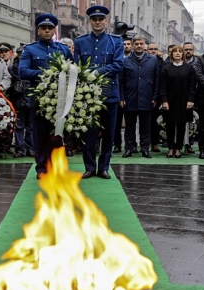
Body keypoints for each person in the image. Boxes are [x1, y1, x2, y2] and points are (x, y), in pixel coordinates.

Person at [74, 5, 124, 180]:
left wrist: (97, 72)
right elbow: (76, 66)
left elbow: (118, 65)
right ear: (90, 21)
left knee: (109, 133)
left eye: (100, 19)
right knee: (89, 132)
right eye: (94, 20)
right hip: (87, 95)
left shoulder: (115, 41)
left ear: (106, 21)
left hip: (109, 93)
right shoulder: (80, 42)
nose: (97, 22)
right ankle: (89, 167)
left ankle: (104, 167)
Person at [19, 14, 72, 177]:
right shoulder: (30, 49)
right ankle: (42, 167)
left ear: (54, 30)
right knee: (40, 135)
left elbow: (73, 69)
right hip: (40, 100)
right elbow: (23, 71)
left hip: (60, 100)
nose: (47, 31)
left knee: (58, 135)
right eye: (44, 28)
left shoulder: (63, 49)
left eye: (50, 28)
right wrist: (47, 74)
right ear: (38, 30)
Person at [120, 35, 158, 158]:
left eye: (141, 43)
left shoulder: (153, 60)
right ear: (132, 45)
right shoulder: (125, 60)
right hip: (130, 97)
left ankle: (145, 148)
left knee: (145, 126)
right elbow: (121, 81)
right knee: (129, 126)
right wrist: (122, 97)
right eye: (136, 44)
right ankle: (129, 148)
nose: (139, 46)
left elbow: (157, 80)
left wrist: (155, 96)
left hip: (147, 97)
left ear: (144, 45)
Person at [159, 45, 196, 158]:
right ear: (171, 54)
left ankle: (178, 147)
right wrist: (164, 101)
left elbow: (192, 85)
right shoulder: (166, 68)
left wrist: (190, 100)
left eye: (180, 51)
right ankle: (171, 147)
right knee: (169, 124)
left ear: (183, 54)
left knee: (181, 124)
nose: (178, 53)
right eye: (175, 52)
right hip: (170, 101)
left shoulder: (189, 68)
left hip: (184, 101)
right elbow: (163, 86)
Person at [8, 46, 33, 158]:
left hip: (31, 99)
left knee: (30, 127)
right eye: (20, 53)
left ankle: (30, 148)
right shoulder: (12, 68)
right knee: (19, 126)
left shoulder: (32, 66)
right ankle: (19, 149)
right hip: (18, 99)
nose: (22, 55)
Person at [114, 36, 133, 154]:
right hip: (117, 93)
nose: (126, 46)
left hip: (130, 94)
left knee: (130, 123)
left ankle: (131, 145)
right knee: (116, 122)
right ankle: (117, 144)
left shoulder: (134, 59)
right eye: (124, 44)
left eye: (128, 44)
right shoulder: (117, 57)